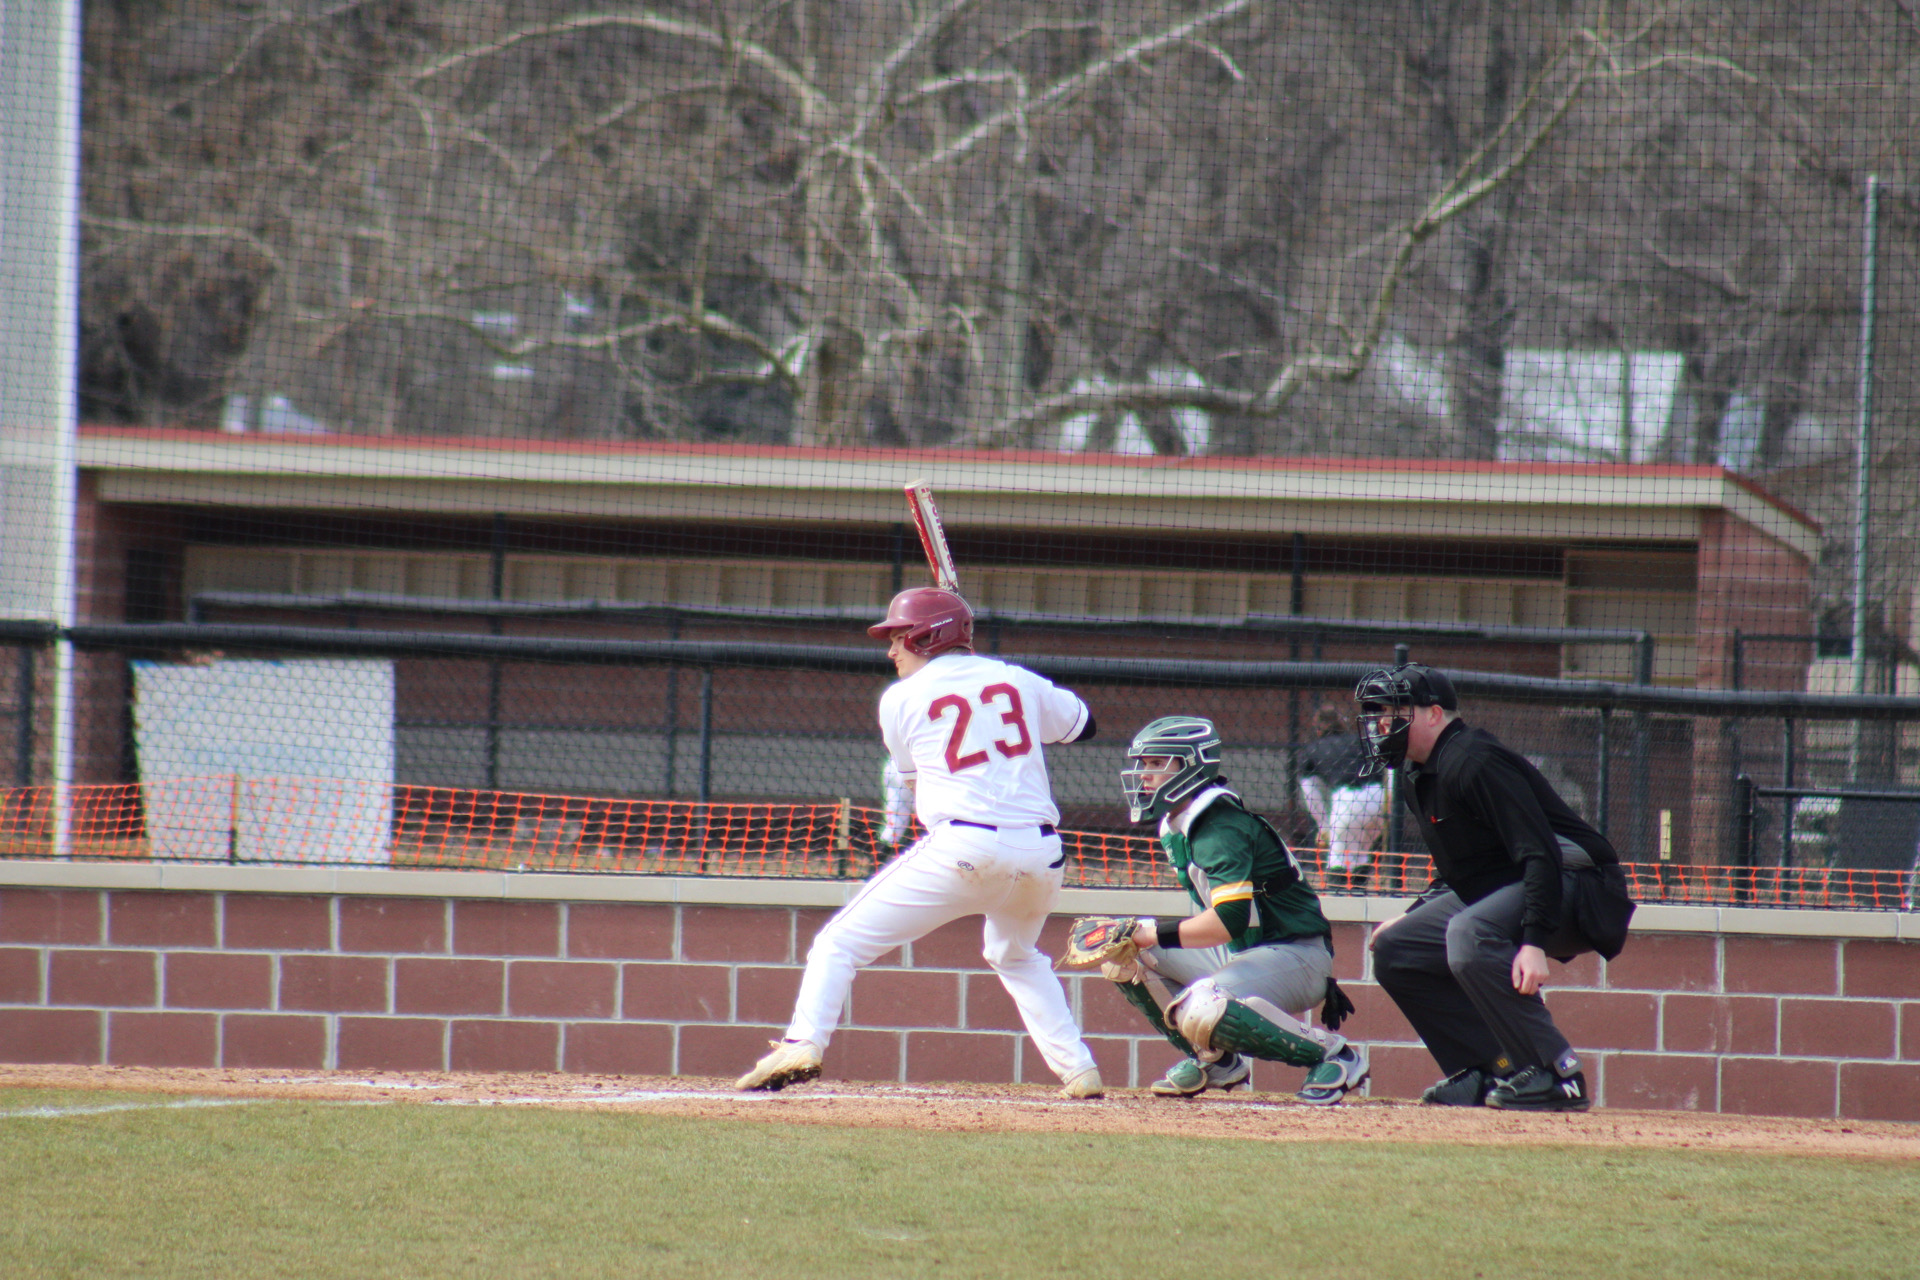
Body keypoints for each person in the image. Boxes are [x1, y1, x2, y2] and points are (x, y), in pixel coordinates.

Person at [737, 586, 1106, 1098]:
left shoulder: (900, 700)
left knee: (838, 943)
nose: (891, 652)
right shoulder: (1015, 678)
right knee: (1016, 954)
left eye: (898, 639)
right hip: (1043, 856)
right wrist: (1005, 681)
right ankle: (1080, 1069)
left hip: (966, 848)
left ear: (927, 636)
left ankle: (804, 1041)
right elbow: (1083, 726)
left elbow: (911, 780)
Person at [1357, 664, 1634, 1112]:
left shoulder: (1473, 760)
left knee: (1469, 933)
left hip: (1580, 885)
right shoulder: (1418, 775)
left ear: (1432, 714)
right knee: (1396, 947)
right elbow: (1464, 870)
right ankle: (1488, 1069)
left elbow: (1540, 851)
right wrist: (1412, 915)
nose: (1382, 723)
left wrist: (1533, 942)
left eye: (1394, 711)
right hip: (1523, 883)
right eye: (1378, 714)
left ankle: (1557, 1073)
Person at [1102, 715, 1370, 1104]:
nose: (1144, 775)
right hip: (1245, 950)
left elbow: (1229, 920)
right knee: (1122, 954)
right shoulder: (1179, 824)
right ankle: (1217, 1062)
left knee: (1203, 1003)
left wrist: (1149, 930)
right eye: (1143, 764)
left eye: (1157, 763)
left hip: (1296, 953)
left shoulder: (1219, 825)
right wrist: (1134, 936)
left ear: (1190, 765)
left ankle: (1334, 1055)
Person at [1298, 704, 1387, 890]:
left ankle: (1338, 901)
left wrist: (1323, 825)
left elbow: (1309, 791)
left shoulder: (1314, 748)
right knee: (1361, 853)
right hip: (1377, 798)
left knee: (1338, 855)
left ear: (1318, 727)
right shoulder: (1360, 741)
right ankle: (1359, 898)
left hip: (1347, 800)